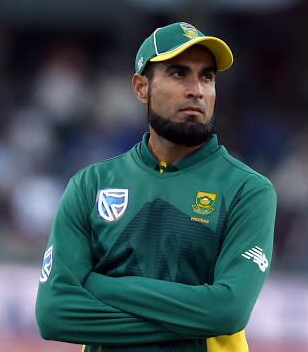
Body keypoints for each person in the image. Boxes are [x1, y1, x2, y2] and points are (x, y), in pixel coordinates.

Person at [35, 22, 277, 352]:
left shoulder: (248, 190)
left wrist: (98, 286)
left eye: (207, 76)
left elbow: (228, 311)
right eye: (179, 74)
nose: (197, 90)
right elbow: (54, 315)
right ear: (140, 88)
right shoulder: (89, 185)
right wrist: (192, 325)